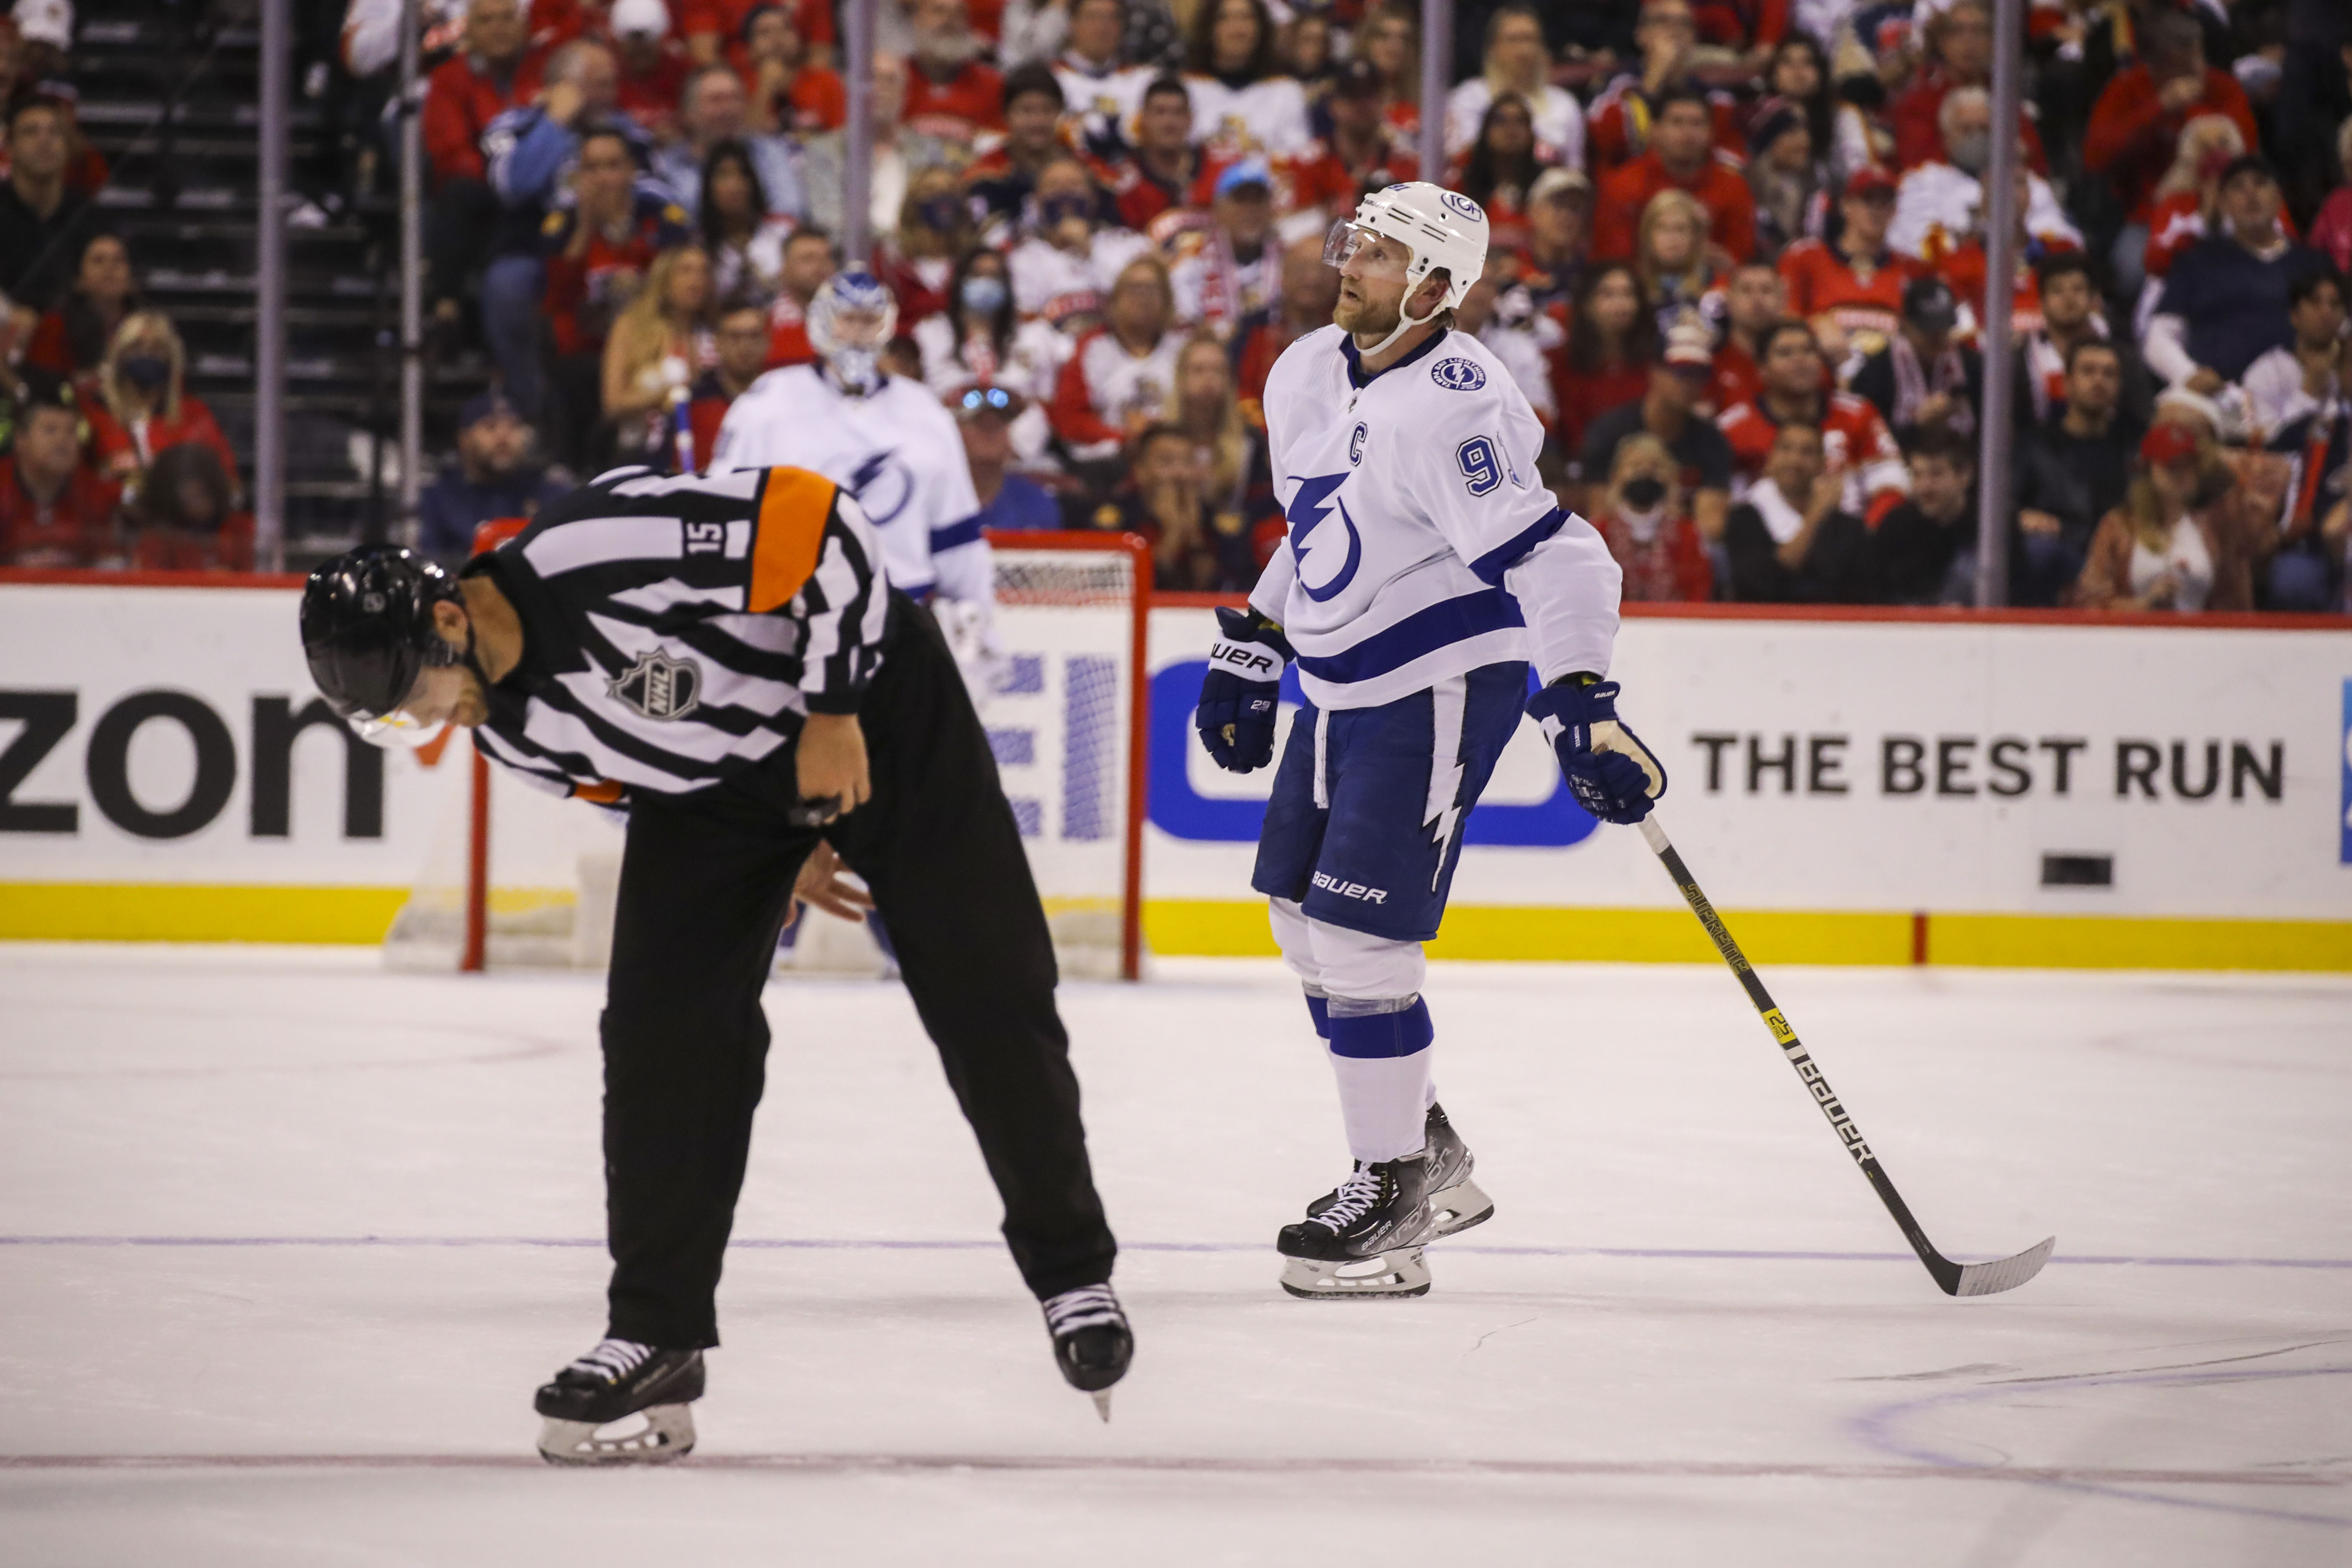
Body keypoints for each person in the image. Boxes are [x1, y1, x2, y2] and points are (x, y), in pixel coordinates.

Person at [297, 483, 1130, 1462]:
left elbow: (826, 529)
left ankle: (1072, 1272)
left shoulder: (593, 549)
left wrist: (829, 714)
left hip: (880, 705)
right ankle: (657, 1329)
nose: (432, 724)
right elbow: (632, 776)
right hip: (720, 797)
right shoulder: (508, 731)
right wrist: (789, 840)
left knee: (985, 982)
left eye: (416, 699)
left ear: (448, 621)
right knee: (659, 1032)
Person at [1191, 182, 1652, 1302]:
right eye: (1357, 243)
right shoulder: (1307, 371)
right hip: (1339, 683)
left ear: (1440, 289)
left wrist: (1582, 695)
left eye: (1384, 256)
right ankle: (1421, 1143)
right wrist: (1259, 634)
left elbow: (1561, 556)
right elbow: (1321, 525)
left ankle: (1393, 1190)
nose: (1351, 264)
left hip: (1439, 682)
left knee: (1361, 944)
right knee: (1300, 918)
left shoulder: (1457, 404)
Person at [714, 270, 1001, 677]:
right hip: (792, 624)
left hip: (900, 620)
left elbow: (957, 537)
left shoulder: (924, 411)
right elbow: (725, 516)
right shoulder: (767, 406)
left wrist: (979, 623)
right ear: (821, 322)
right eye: (847, 319)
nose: (858, 334)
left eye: (869, 321)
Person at [539, 126, 693, 469]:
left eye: (612, 166)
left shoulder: (659, 218)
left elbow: (677, 284)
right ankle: (572, 470)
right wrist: (584, 229)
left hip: (650, 346)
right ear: (579, 176)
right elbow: (557, 300)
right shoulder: (562, 225)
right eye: (592, 168)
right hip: (586, 351)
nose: (602, 178)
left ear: (631, 171)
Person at [2083, 6, 2258, 305]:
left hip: (2224, 209)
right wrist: (2157, 109)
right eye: (2182, 65)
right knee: (2130, 274)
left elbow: (2246, 148)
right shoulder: (2128, 88)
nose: (2195, 69)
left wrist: (2194, 114)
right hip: (2150, 215)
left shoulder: (2222, 87)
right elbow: (2096, 156)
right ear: (2155, 65)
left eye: (2198, 57)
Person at [2143, 157, 2331, 401]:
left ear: (2278, 196)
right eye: (2238, 187)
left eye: (2260, 183)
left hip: (2303, 395)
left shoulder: (2313, 264)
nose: (2250, 193)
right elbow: (2159, 335)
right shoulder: (2197, 262)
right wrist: (2188, 375)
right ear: (2223, 203)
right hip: (2219, 400)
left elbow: (2344, 328)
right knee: (2175, 423)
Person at [420, 0, 546, 317]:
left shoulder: (544, 72)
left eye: (507, 19)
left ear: (523, 27)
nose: (499, 29)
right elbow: (450, 152)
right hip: (484, 193)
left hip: (540, 190)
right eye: (487, 21)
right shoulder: (450, 78)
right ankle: (447, 304)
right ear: (470, 31)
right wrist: (507, 177)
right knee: (457, 193)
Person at [1717, 319, 1908, 523]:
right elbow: (1724, 507)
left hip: (1852, 537)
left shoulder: (1858, 413)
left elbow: (1892, 483)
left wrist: (1864, 536)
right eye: (1785, 353)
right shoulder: (1733, 428)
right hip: (1766, 543)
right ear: (1762, 369)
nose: (1800, 360)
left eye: (1809, 351)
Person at [1576, 317, 1732, 540]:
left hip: (1680, 549)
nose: (1690, 383)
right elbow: (1599, 518)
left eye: (1699, 373)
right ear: (1654, 372)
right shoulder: (1608, 433)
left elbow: (1711, 529)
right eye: (1681, 371)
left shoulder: (1712, 441)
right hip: (1617, 548)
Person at [1887, 88, 2082, 266]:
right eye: (1966, 130)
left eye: (1984, 129)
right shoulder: (1923, 181)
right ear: (1946, 137)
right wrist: (1974, 246)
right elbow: (1909, 239)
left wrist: (2021, 241)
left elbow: (2065, 241)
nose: (1977, 138)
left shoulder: (2027, 182)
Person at [2013, 338, 2142, 606]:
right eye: (2088, 371)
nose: (2099, 381)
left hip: (2121, 555)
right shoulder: (2036, 445)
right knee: (2038, 550)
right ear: (2067, 383)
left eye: (2109, 374)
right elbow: (2002, 506)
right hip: (2062, 553)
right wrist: (2021, 516)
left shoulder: (2134, 447)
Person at [2075, 421, 2255, 610]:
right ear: (2148, 470)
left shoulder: (2215, 527)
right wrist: (2143, 605)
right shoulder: (2119, 526)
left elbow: (2236, 603)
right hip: (2133, 634)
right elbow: (2089, 601)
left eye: (2188, 464)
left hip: (2197, 635)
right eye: (2171, 465)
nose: (2181, 473)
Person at [1591, 85, 1756, 267]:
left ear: (1711, 133)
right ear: (1655, 130)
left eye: (1697, 123)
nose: (1688, 133)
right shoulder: (1623, 184)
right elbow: (1611, 261)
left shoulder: (1733, 187)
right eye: (1677, 122)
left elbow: (1741, 259)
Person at [1082, 420, 1257, 588]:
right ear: (1140, 471)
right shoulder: (1118, 519)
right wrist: (1172, 536)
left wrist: (1195, 537)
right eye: (1167, 462)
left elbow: (1231, 589)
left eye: (1188, 462)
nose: (1179, 474)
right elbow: (1114, 588)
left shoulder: (1218, 521)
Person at [1050, 252, 1185, 467]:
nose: (1143, 297)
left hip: (1175, 458)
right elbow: (1069, 419)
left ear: (1167, 299)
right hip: (1109, 463)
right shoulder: (1093, 348)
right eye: (1134, 288)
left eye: (1152, 289)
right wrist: (1124, 437)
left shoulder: (1182, 348)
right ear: (1116, 298)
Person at [86, 312, 241, 497]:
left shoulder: (195, 414)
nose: (146, 355)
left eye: (157, 349)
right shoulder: (94, 415)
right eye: (136, 347)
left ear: (170, 357)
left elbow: (230, 486)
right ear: (120, 355)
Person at [1776, 166, 1916, 367]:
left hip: (1890, 379)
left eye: (1885, 203)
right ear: (1846, 206)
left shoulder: (1911, 268)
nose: (1876, 210)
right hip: (1822, 372)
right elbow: (1783, 321)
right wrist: (1812, 327)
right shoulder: (1805, 258)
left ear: (1895, 211)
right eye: (1868, 200)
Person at [1722, 421, 1874, 602]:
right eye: (1786, 449)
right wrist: (1817, 513)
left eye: (1807, 452)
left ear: (1822, 464)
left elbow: (1864, 593)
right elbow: (1762, 585)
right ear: (1770, 459)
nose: (1795, 460)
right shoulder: (1744, 519)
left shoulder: (1848, 528)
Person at [416, 392, 573, 566]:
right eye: (490, 427)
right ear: (464, 439)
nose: (503, 437)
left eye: (513, 426)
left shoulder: (547, 488)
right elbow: (427, 561)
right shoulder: (439, 495)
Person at [1586, 0, 1739, 175]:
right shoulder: (1616, 86)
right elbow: (1608, 146)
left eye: (1684, 23)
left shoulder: (1717, 98)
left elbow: (1728, 158)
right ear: (1640, 35)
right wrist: (1653, 80)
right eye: (1663, 21)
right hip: (1631, 184)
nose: (1675, 29)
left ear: (1694, 39)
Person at [652, 64, 808, 225]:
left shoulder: (769, 153)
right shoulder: (666, 165)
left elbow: (789, 212)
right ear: (689, 113)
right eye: (716, 100)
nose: (728, 109)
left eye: (735, 98)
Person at [603, 245, 715, 467]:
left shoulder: (712, 333)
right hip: (643, 450)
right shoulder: (632, 326)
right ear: (664, 280)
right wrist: (672, 395)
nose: (696, 280)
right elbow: (613, 403)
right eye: (686, 271)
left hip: (703, 448)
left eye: (703, 272)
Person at [1008, 153, 1152, 323]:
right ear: (1037, 200)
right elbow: (1028, 323)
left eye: (1074, 184)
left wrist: (1089, 252)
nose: (1064, 192)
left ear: (1093, 198)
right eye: (1053, 186)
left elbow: (1137, 308)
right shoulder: (1023, 258)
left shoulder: (1126, 246)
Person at [0, 370, 120, 567]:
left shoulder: (99, 497)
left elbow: (111, 568)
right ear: (20, 440)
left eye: (71, 431)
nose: (62, 440)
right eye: (50, 430)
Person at [1442, 3, 1585, 168]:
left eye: (1531, 40)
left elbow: (1575, 170)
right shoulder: (1469, 98)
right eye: (1514, 40)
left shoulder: (1564, 104)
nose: (1524, 50)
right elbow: (1459, 160)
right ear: (1493, 48)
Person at [0, 95, 107, 313]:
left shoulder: (89, 217)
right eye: (31, 132)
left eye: (55, 132)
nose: (44, 140)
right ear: (9, 147)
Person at [1850, 274, 1982, 447]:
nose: (1937, 337)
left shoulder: (1972, 367)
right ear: (1905, 326)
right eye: (1927, 329)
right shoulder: (1877, 372)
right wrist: (1917, 425)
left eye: (1943, 328)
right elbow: (1867, 440)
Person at [1590, 431, 1712, 601]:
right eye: (1636, 466)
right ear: (1617, 475)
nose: (1646, 473)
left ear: (1669, 476)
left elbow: (1698, 591)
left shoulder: (1688, 535)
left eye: (1655, 467)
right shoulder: (1598, 534)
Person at [1553, 262, 1657, 459]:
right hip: (1579, 469)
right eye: (1607, 295)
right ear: (1586, 305)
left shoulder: (1653, 364)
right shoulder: (1560, 363)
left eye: (1629, 294)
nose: (1621, 304)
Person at [1167, 158, 1279, 339]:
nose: (1250, 210)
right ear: (1218, 209)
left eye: (1258, 200)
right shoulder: (1192, 259)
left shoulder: (1289, 259)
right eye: (1240, 200)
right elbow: (1183, 323)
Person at [1182, 0, 1310, 158]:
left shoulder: (1286, 91)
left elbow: (1297, 159)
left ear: (1261, 28)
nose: (1237, 29)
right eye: (1225, 18)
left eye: (1246, 18)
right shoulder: (1186, 87)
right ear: (1209, 28)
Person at [2235, 263, 2346, 441]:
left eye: (2335, 304)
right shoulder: (2265, 373)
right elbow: (2265, 443)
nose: (2327, 312)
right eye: (2315, 303)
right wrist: (2309, 392)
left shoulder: (2346, 368)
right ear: (2295, 316)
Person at [965, 62, 1079, 229]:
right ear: (1006, 116)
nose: (1038, 121)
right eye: (1026, 111)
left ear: (1061, 114)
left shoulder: (1085, 173)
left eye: (1047, 110)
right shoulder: (983, 180)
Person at [24, 230, 138, 399]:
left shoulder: (147, 326)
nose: (110, 268)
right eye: (98, 261)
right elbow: (42, 386)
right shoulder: (55, 325)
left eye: (119, 260)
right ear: (79, 280)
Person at [1870, 425, 1975, 604]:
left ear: (1965, 475)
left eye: (1936, 474)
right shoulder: (1896, 527)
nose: (1925, 487)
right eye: (1917, 475)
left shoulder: (1990, 526)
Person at [124, 442, 251, 572]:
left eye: (202, 494)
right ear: (170, 497)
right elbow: (151, 583)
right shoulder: (156, 541)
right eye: (187, 497)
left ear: (216, 490)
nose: (196, 504)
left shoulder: (240, 531)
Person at [1450, 94, 1551, 256]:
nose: (1511, 130)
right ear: (1485, 131)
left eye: (1520, 121)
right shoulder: (1462, 186)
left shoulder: (1546, 187)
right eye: (1500, 121)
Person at [695, 140, 794, 302]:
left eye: (742, 174)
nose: (734, 185)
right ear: (709, 187)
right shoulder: (698, 246)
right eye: (723, 175)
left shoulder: (784, 231)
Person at [1050, 0, 1150, 161]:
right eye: (1092, 17)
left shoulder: (1145, 81)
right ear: (1072, 24)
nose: (1103, 27)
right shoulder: (1049, 79)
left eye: (1111, 18)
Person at [955, 383, 1060, 532]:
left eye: (998, 424)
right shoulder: (938, 498)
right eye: (981, 424)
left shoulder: (1034, 501)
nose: (991, 433)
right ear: (956, 431)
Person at [903, 0, 1005, 149]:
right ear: (917, 20)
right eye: (939, 11)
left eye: (958, 14)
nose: (949, 20)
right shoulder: (893, 80)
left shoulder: (994, 86)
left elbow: (999, 146)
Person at [738, 3, 845, 134]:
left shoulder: (826, 81)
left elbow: (841, 137)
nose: (777, 37)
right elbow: (746, 139)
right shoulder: (740, 86)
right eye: (764, 32)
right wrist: (765, 89)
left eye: (786, 29)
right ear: (750, 51)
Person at [1633, 188, 1724, 340]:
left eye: (1681, 229)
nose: (1672, 238)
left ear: (1695, 237)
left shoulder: (1716, 286)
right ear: (1647, 235)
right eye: (1662, 228)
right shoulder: (1633, 288)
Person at [1744, 95, 1824, 260]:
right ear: (1767, 142)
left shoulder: (1816, 188)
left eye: (1806, 130)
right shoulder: (1745, 191)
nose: (1805, 140)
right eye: (1791, 132)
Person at [1709, 260, 1781, 413]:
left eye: (1767, 290)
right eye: (1746, 291)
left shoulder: (1805, 360)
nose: (1757, 300)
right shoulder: (1711, 363)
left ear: (1782, 299)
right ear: (1729, 299)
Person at [760, 226, 836, 367]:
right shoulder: (765, 326)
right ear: (784, 268)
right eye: (808, 259)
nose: (820, 266)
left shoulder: (856, 318)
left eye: (827, 258)